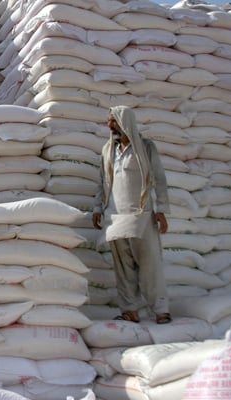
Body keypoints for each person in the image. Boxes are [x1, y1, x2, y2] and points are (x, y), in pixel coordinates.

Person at [92, 105, 172, 324]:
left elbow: (159, 179)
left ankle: (161, 310)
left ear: (125, 121)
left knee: (150, 265)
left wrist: (162, 210)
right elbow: (102, 182)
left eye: (113, 121)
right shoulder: (108, 150)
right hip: (114, 217)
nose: (109, 125)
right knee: (123, 267)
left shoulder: (146, 148)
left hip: (141, 216)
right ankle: (130, 310)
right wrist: (97, 209)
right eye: (109, 121)